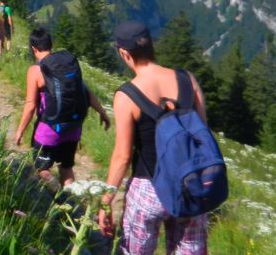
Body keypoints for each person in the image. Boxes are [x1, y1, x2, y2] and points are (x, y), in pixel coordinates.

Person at [98, 20, 209, 254]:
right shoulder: (187, 79)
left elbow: (122, 156)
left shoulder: (127, 95)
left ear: (124, 54)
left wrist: (105, 201)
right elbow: (202, 135)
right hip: (190, 185)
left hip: (149, 188)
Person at [13, 27, 110, 187]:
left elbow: (30, 105)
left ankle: (60, 200)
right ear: (51, 45)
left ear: (33, 48)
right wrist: (102, 111)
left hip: (49, 129)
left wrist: (19, 132)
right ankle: (72, 203)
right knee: (66, 168)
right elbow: (85, 90)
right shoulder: (67, 65)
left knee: (42, 169)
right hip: (73, 128)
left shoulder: (35, 70)